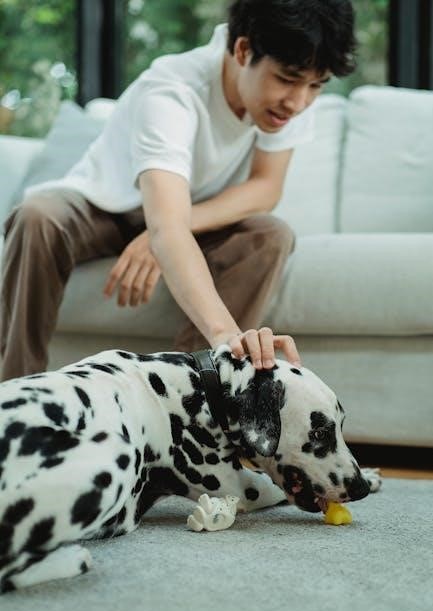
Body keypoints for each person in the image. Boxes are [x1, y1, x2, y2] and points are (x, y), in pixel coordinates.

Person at [0, 0, 356, 381]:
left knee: (271, 235)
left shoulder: (289, 98)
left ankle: (192, 393)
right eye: (287, 79)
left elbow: (265, 188)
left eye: (315, 85)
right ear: (242, 51)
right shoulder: (172, 90)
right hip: (107, 208)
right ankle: (14, 391)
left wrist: (171, 228)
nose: (299, 102)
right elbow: (167, 227)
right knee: (38, 215)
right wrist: (225, 332)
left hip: (180, 213)